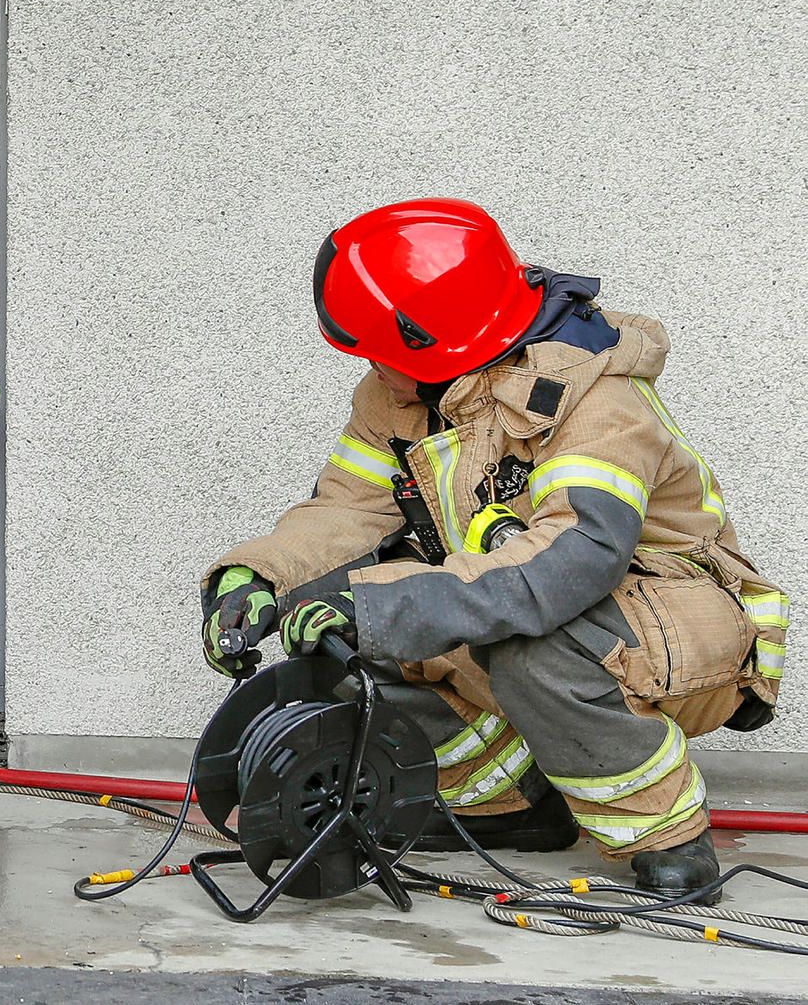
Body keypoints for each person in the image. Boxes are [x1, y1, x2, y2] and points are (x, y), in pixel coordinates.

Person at [201, 198, 787, 900]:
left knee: (495, 632)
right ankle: (507, 803)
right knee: (347, 621)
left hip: (676, 631)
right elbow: (346, 508)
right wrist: (258, 576)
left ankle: (666, 832)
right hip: (563, 611)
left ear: (433, 339)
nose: (369, 365)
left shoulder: (598, 400)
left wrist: (381, 604)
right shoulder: (403, 391)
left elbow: (574, 560)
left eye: (377, 349)